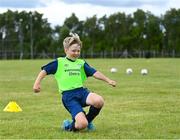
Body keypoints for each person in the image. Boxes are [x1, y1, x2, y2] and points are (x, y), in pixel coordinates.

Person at [33, 33, 116, 132]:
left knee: (99, 101)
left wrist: (108, 80)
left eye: (78, 51)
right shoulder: (59, 62)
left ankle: (87, 121)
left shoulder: (81, 63)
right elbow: (44, 70)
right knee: (82, 124)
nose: (76, 53)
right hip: (69, 97)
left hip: (82, 92)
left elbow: (95, 73)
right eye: (73, 51)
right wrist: (37, 84)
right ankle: (68, 126)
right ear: (66, 50)